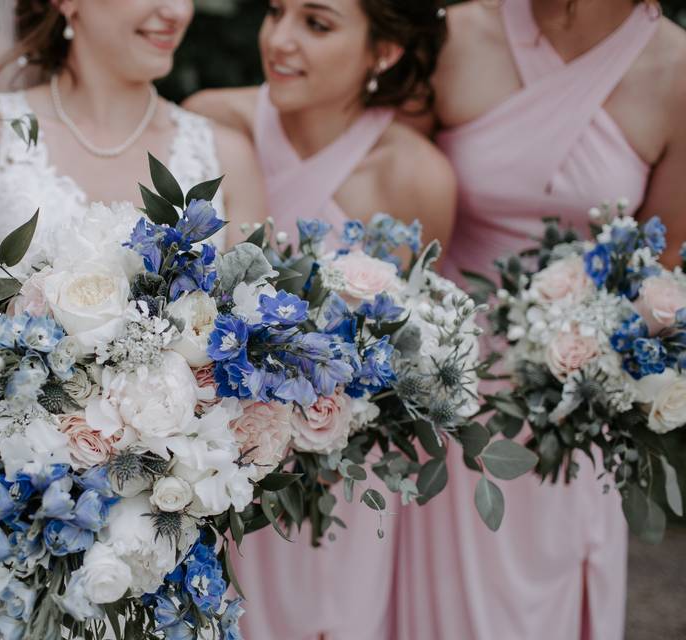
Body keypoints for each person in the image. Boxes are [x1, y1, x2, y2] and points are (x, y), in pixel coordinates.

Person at [0, 2, 265, 634]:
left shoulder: (226, 155)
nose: (175, 10)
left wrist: (158, 428)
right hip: (4, 500)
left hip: (163, 521)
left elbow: (250, 343)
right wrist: (80, 408)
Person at [394, 1, 686, 638]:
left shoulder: (676, 70)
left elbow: (663, 269)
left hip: (573, 397)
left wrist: (604, 376)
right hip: (442, 381)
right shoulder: (455, 33)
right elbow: (387, 178)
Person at [184, 1, 453, 638]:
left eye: (317, 23)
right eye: (276, 12)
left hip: (341, 484)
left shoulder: (416, 176)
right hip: (213, 470)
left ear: (382, 51)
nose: (279, 40)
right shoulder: (208, 126)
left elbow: (406, 356)